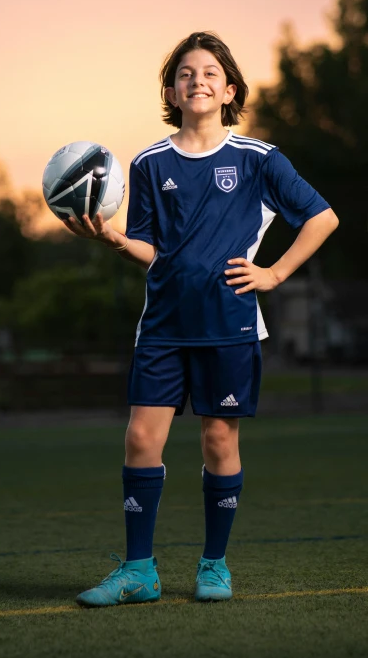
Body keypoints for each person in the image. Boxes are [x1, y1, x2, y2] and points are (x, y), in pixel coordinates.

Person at [63, 31, 339, 607]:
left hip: (229, 324)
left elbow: (322, 217)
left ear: (230, 89)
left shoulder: (259, 160)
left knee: (218, 439)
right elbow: (150, 248)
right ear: (171, 89)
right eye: (186, 73)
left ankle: (214, 564)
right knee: (141, 436)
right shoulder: (147, 163)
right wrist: (115, 240)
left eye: (211, 72)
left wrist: (275, 274)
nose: (198, 80)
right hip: (163, 325)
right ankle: (139, 570)